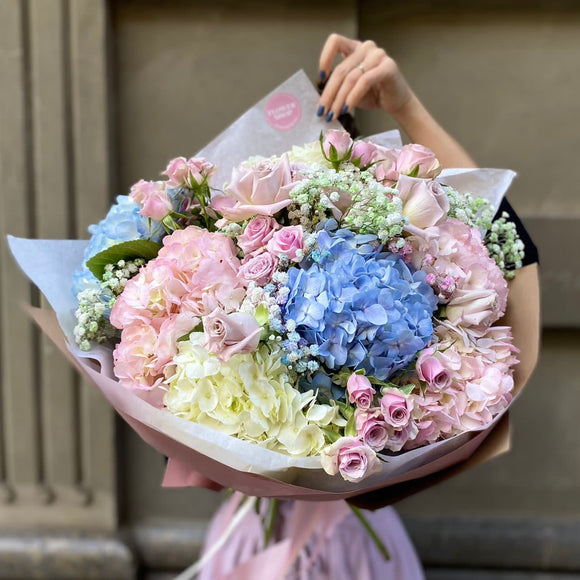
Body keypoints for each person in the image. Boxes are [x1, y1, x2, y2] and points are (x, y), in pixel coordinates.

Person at [197, 33, 541, 579]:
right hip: (248, 539)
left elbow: (502, 236)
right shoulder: (227, 261)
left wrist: (407, 107)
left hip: (355, 551)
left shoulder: (407, 262)